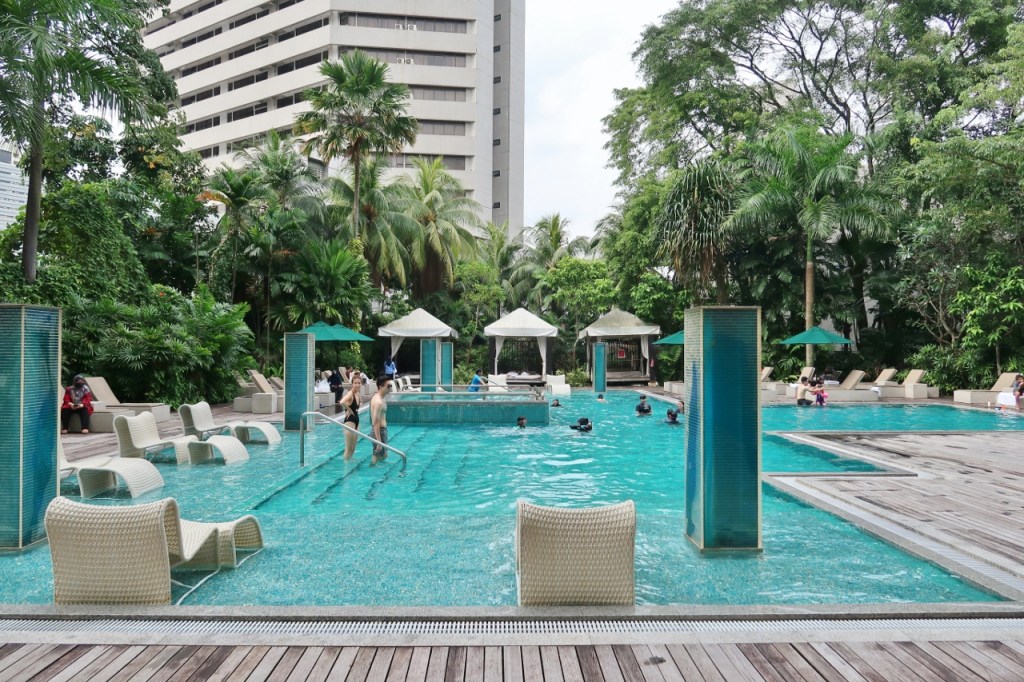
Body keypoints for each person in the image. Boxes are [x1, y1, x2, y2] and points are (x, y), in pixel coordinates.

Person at [339, 374, 362, 459]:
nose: (357, 385)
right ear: (352, 384)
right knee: (348, 450)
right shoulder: (350, 393)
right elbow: (342, 402)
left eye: (359, 383)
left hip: (356, 421)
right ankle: (345, 469)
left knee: (353, 449)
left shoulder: (358, 394)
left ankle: (350, 467)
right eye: (355, 383)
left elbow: (359, 403)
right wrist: (349, 410)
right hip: (350, 422)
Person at [370, 376, 392, 465]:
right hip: (379, 431)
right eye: (388, 386)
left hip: (382, 431)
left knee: (384, 455)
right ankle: (371, 470)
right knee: (378, 455)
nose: (390, 388)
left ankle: (373, 468)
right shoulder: (378, 401)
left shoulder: (381, 397)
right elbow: (375, 422)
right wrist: (378, 441)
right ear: (380, 387)